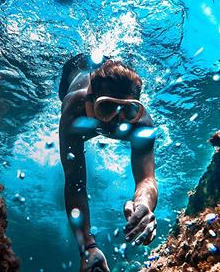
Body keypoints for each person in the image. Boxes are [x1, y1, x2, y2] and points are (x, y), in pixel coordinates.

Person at [59, 54, 158, 271]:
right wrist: (88, 246)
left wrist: (144, 205)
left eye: (128, 110)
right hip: (74, 68)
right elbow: (74, 182)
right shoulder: (73, 110)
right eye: (106, 108)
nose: (117, 122)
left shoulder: (142, 123)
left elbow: (147, 178)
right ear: (89, 101)